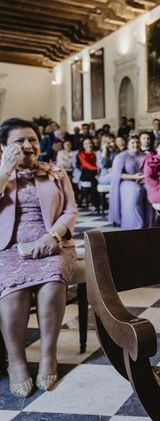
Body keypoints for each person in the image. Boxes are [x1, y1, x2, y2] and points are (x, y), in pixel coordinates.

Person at [0, 118, 77, 397]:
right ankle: (17, 361)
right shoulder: (1, 174)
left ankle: (48, 355)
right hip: (7, 247)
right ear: (4, 147)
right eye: (18, 141)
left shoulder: (54, 172)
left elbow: (70, 210)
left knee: (53, 283)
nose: (27, 145)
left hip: (51, 244)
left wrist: (53, 236)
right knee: (13, 292)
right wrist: (5, 171)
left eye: (32, 139)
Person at [108, 135, 149, 229]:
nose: (136, 144)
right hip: (126, 181)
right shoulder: (121, 156)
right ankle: (136, 226)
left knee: (150, 189)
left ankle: (150, 224)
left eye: (137, 142)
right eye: (132, 142)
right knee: (136, 190)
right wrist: (133, 177)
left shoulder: (145, 155)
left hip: (143, 181)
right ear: (127, 144)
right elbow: (117, 175)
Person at [77, 137, 99, 209]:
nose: (88, 145)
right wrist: (97, 170)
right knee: (94, 180)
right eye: (86, 144)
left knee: (96, 179)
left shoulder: (97, 152)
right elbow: (86, 165)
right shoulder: (81, 154)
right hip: (86, 172)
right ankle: (94, 203)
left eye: (90, 143)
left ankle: (99, 201)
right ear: (83, 146)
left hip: (96, 171)